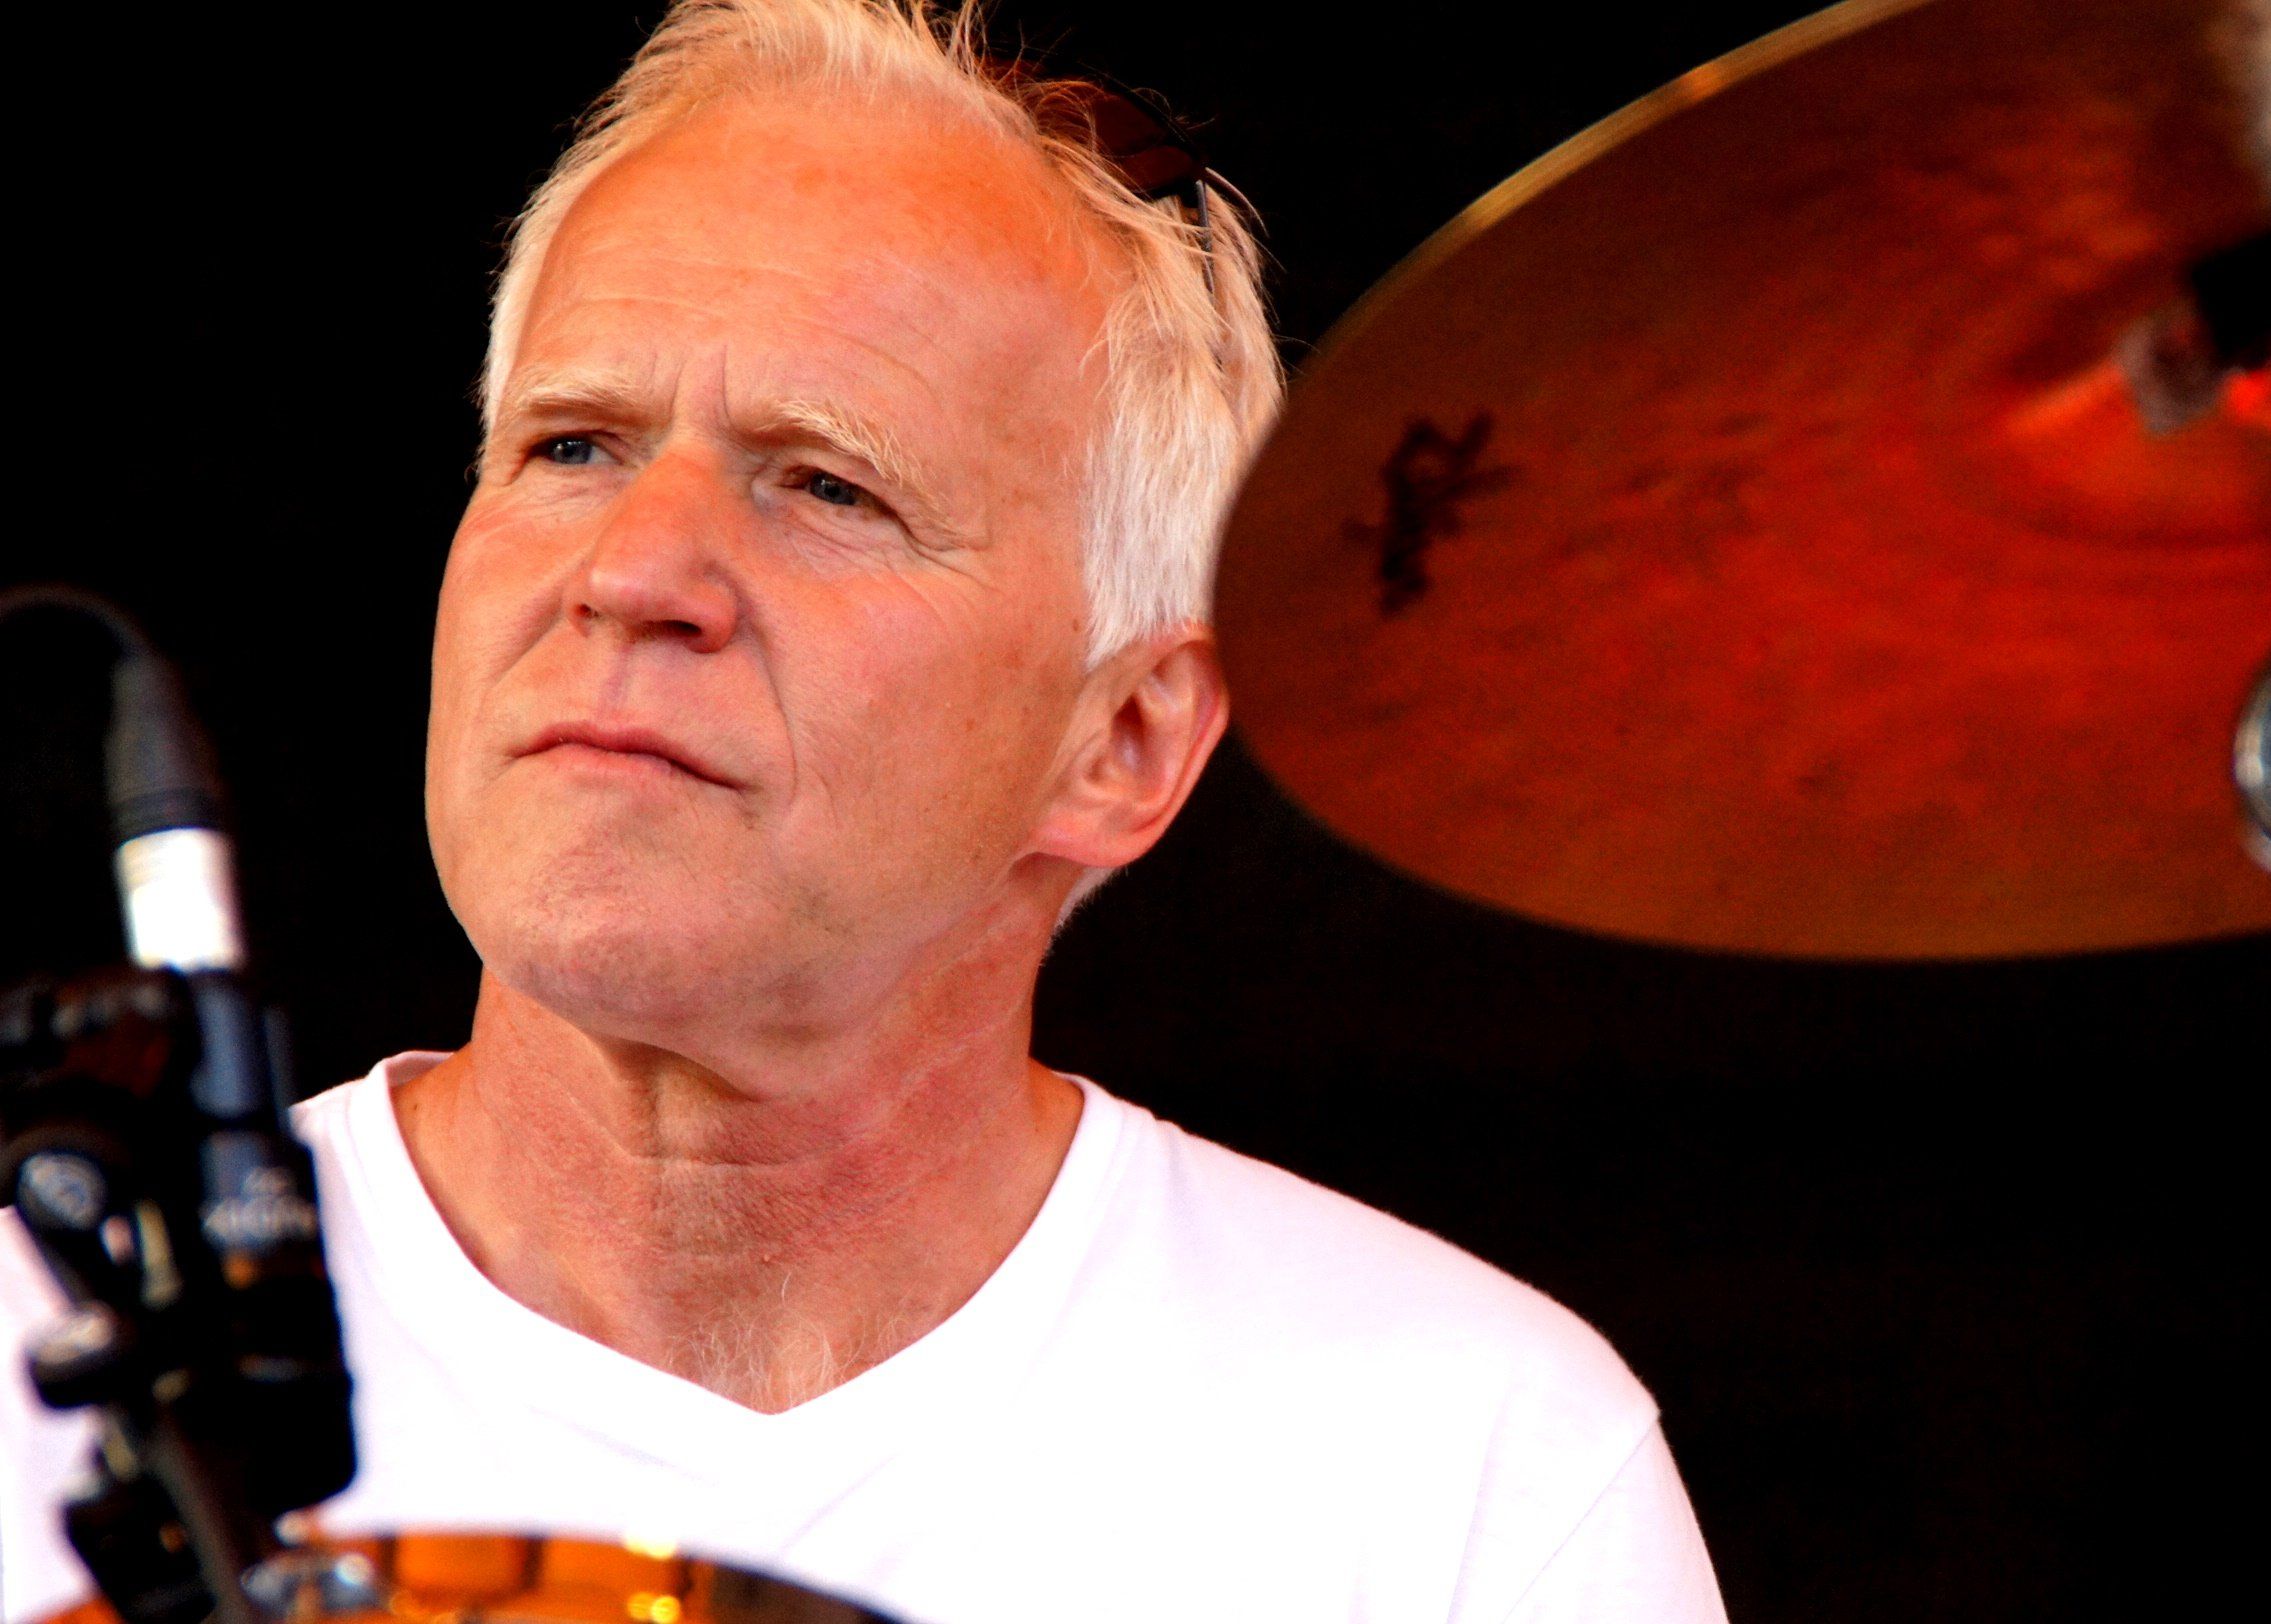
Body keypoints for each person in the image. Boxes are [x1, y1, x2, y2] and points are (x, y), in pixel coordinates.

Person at [0, 3, 1726, 1618]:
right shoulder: (33, 1361)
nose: (633, 572)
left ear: (1125, 739)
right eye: (571, 446)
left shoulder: (1465, 1472)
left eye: (826, 485)